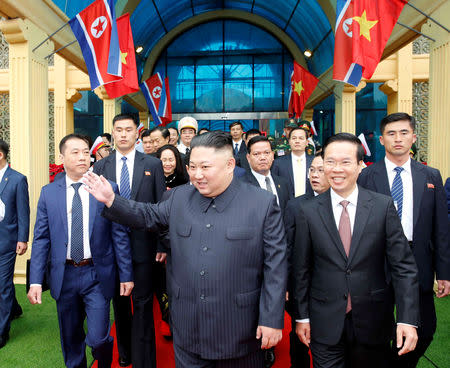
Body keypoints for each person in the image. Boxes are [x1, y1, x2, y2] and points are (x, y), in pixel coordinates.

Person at [84, 131, 287, 368]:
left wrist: (272, 319)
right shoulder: (179, 197)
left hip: (239, 329)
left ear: (230, 164)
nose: (197, 175)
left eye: (205, 167)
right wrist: (112, 200)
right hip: (188, 329)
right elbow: (148, 215)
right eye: (192, 167)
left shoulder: (261, 203)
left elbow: (276, 264)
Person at [291, 133, 420, 368]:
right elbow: (301, 269)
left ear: (361, 165)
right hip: (324, 321)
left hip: (373, 319)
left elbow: (403, 267)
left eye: (345, 162)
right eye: (330, 161)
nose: (336, 169)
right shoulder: (306, 211)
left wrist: (407, 319)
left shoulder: (382, 206)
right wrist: (302, 316)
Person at [27, 134, 133, 368]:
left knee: (98, 338)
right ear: (62, 157)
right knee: (71, 339)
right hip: (64, 276)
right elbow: (41, 239)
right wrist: (35, 280)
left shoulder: (106, 188)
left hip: (96, 274)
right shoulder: (49, 193)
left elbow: (119, 235)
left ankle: (104, 359)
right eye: (75, 152)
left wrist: (126, 274)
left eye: (86, 151)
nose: (82, 156)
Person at [357, 112, 450, 367]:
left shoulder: (431, 176)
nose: (398, 139)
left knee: (426, 328)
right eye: (391, 133)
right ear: (381, 140)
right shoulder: (366, 176)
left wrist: (444, 272)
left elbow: (441, 228)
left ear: (413, 137)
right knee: (379, 328)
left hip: (418, 258)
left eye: (404, 133)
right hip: (378, 261)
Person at [93, 114, 166, 368]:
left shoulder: (153, 164)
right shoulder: (101, 166)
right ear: (113, 134)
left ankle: (145, 359)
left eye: (128, 130)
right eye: (118, 130)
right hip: (111, 250)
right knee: (120, 304)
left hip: (144, 247)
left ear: (137, 133)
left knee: (144, 304)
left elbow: (160, 207)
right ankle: (125, 353)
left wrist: (161, 244)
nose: (123, 134)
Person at [283, 153, 330, 368]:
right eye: (312, 170)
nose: (315, 175)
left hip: (332, 287)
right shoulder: (295, 206)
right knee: (299, 335)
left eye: (321, 170)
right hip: (301, 286)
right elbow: (287, 248)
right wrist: (286, 284)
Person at [0, 139, 29, 349]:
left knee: (2, 285)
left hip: (7, 241)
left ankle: (2, 331)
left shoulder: (17, 179)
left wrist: (22, 238)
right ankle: (15, 308)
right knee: (4, 283)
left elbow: (23, 211)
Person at [241, 135, 291, 213]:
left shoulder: (283, 183)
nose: (263, 157)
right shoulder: (241, 186)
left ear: (273, 155)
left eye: (267, 153)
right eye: (256, 154)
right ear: (248, 158)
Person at [272, 127, 313, 197]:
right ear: (289, 141)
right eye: (294, 138)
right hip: (287, 204)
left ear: (307, 142)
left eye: (301, 138)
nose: (297, 141)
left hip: (311, 203)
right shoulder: (278, 163)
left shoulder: (314, 161)